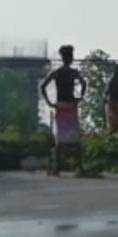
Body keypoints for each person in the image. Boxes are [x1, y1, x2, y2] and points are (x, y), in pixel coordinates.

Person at [41, 45, 87, 175]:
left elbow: (43, 87)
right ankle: (79, 167)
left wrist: (49, 102)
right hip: (71, 106)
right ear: (71, 58)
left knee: (60, 140)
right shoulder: (73, 73)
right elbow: (84, 83)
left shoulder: (57, 73)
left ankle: (57, 168)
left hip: (61, 106)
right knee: (76, 140)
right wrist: (80, 97)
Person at [105, 64, 118, 133]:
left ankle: (117, 130)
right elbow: (108, 90)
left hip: (115, 101)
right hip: (111, 100)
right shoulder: (113, 79)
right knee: (115, 120)